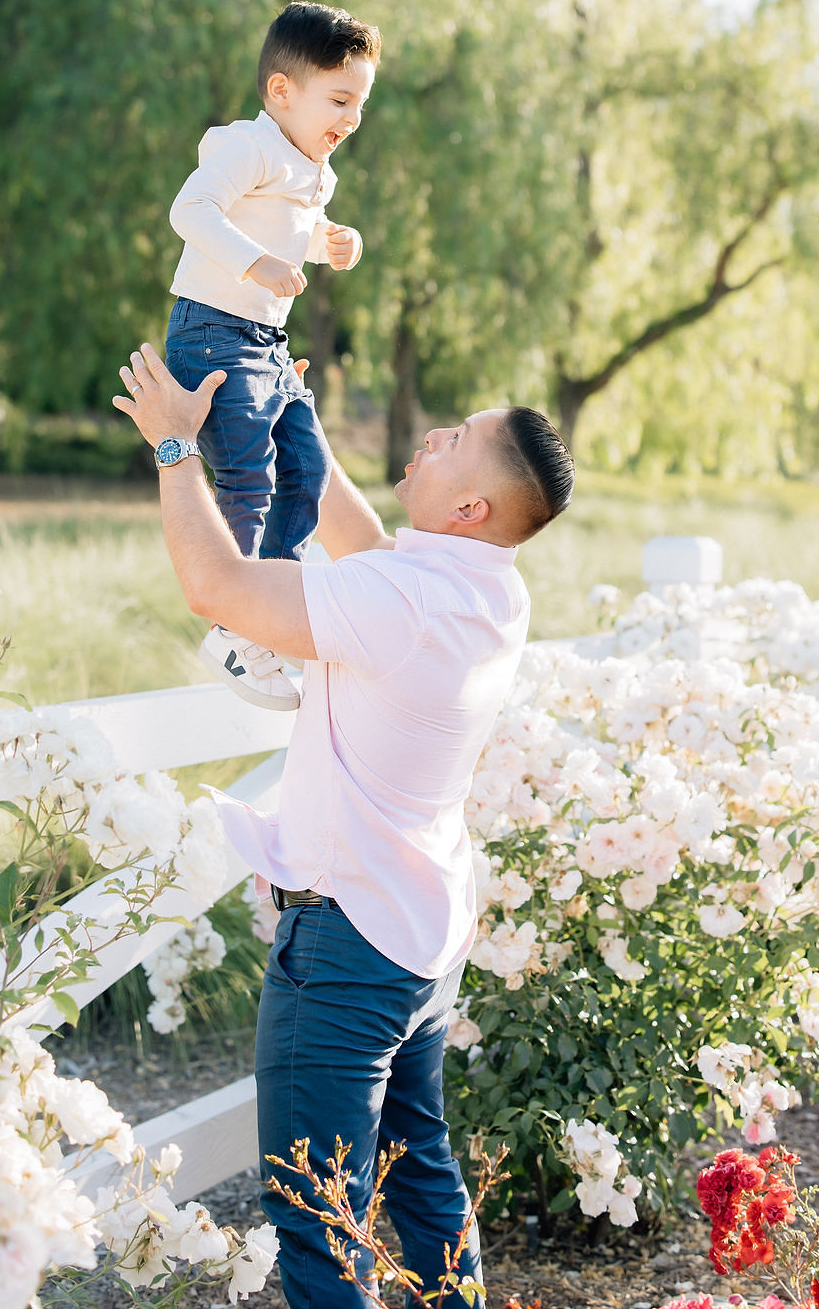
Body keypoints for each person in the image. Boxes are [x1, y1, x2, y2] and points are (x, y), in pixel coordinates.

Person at [112, 342, 575, 1309]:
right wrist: (292, 414)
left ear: (471, 508)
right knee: (421, 1174)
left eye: (454, 440)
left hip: (349, 939)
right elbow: (363, 543)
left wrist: (172, 449)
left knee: (317, 1223)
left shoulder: (404, 602)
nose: (431, 436)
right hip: (422, 933)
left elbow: (220, 590)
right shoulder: (486, 585)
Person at [164, 0, 382, 714]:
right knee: (250, 474)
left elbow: (295, 228)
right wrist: (256, 263)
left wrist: (330, 243)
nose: (351, 118)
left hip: (267, 342)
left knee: (308, 473)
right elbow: (191, 213)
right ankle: (237, 627)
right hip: (213, 329)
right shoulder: (245, 147)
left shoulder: (315, 170)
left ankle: (264, 612)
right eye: (340, 99)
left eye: (360, 104)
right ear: (282, 92)